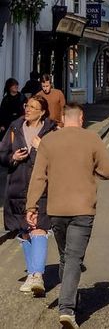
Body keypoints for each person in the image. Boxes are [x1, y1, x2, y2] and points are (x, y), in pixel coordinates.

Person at [26, 104, 109, 329]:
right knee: (74, 258)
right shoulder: (92, 139)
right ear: (82, 118)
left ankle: (70, 298)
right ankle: (67, 309)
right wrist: (90, 168)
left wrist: (31, 207)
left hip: (56, 209)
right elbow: (108, 171)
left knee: (66, 256)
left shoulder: (48, 141)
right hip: (83, 209)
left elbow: (38, 177)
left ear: (63, 119)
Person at [0, 94, 55, 295]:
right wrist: (12, 157)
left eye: (33, 107)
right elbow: (2, 153)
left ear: (42, 112)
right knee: (23, 230)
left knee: (38, 228)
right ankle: (32, 273)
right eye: (27, 105)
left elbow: (59, 158)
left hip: (41, 188)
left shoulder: (51, 130)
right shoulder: (15, 127)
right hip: (17, 186)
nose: (28, 109)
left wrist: (43, 148)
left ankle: (38, 275)